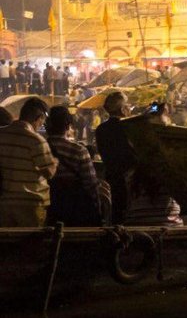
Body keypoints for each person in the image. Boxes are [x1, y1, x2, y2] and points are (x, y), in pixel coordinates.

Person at [0, 97, 56, 227]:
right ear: (39, 117)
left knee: (7, 244)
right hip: (31, 203)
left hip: (5, 202)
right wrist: (54, 163)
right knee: (31, 245)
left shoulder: (2, 134)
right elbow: (49, 173)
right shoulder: (36, 140)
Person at [43, 105, 102, 226]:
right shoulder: (78, 150)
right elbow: (91, 184)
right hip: (74, 208)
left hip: (48, 208)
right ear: (68, 126)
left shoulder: (39, 148)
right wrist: (98, 208)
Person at [95, 90, 136, 223]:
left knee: (115, 214)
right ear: (123, 108)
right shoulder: (129, 127)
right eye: (128, 105)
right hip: (129, 179)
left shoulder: (101, 129)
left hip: (110, 176)